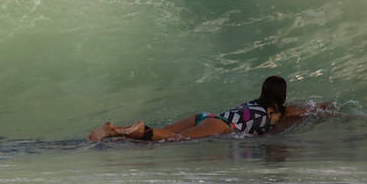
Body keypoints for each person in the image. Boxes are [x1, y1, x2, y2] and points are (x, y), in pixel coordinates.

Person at [89, 75, 328, 142]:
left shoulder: (256, 104)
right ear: (282, 97)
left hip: (209, 117)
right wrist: (332, 111)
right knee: (172, 139)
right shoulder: (277, 113)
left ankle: (115, 131)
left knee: (163, 134)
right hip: (220, 126)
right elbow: (310, 109)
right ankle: (135, 129)